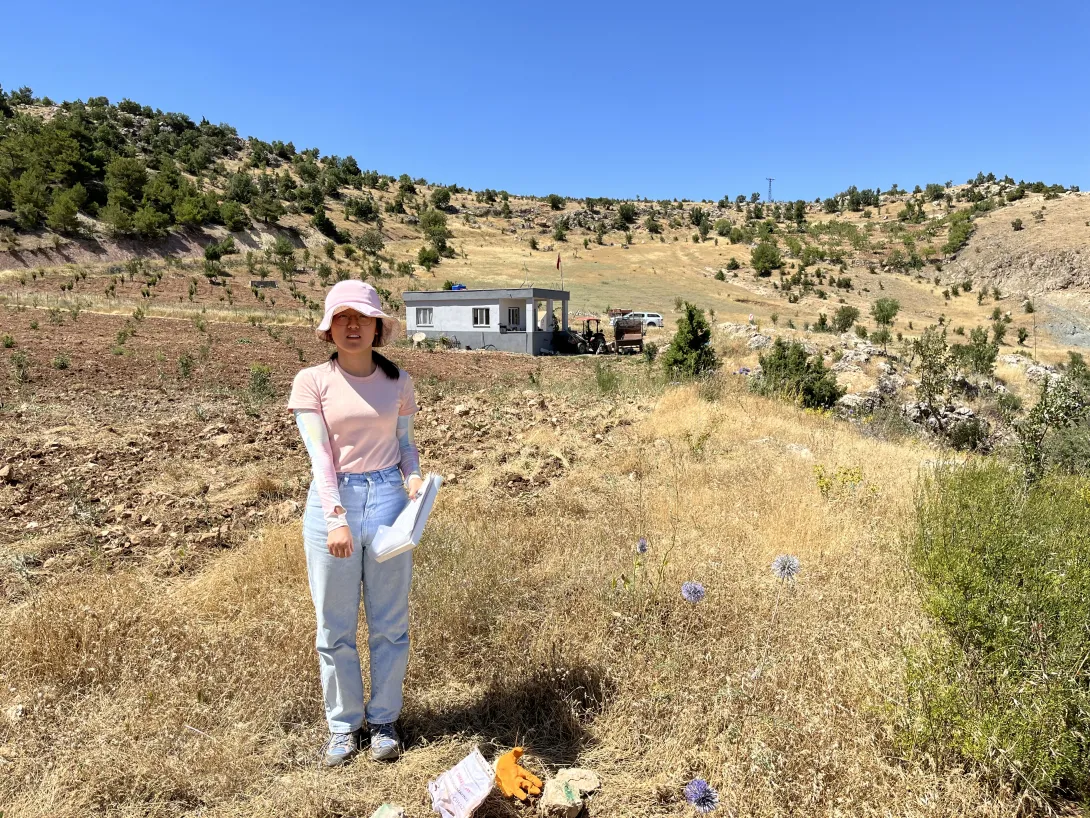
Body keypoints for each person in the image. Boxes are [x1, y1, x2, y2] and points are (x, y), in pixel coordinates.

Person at [287, 280, 423, 768]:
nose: (351, 326)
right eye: (341, 317)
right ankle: (344, 725)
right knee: (335, 625)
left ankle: (384, 720)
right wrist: (337, 519)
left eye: (361, 317)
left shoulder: (398, 382)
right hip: (333, 504)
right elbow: (320, 457)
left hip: (389, 501)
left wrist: (413, 482)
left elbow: (406, 445)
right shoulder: (311, 382)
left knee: (390, 622)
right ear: (328, 328)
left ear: (377, 328)